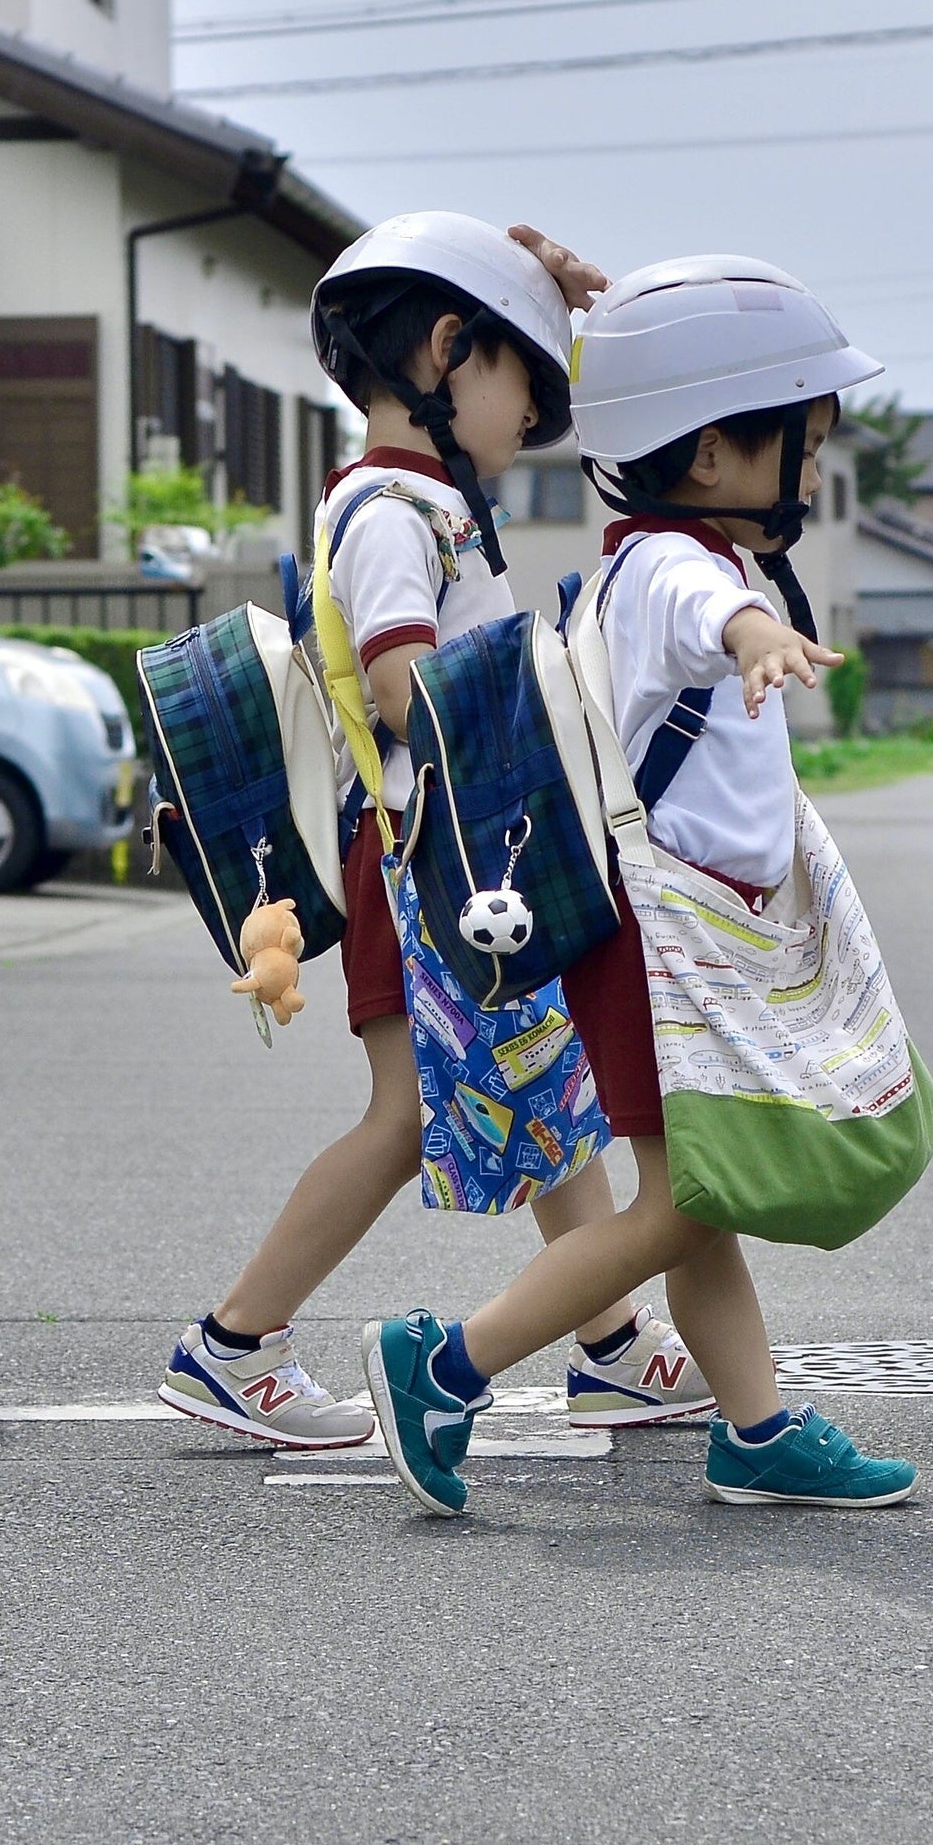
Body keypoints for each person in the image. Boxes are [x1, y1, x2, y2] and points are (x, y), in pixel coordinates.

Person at [364, 255, 920, 1516]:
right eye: (803, 443)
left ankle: (759, 1427)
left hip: (662, 938)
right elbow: (708, 616)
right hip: (670, 949)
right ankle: (444, 1366)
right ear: (712, 453)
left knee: (695, 1200)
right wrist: (760, 635)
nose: (817, 474)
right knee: (685, 1201)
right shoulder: (680, 572)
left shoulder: (644, 560)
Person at [156, 214, 713, 1448]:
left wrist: (562, 303)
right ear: (449, 350)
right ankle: (234, 1342)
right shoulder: (400, 511)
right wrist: (550, 706)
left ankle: (613, 1345)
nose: (535, 416)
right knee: (408, 1116)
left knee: (549, 1090)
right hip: (443, 855)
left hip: (451, 848)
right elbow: (410, 686)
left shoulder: (409, 497)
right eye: (526, 377)